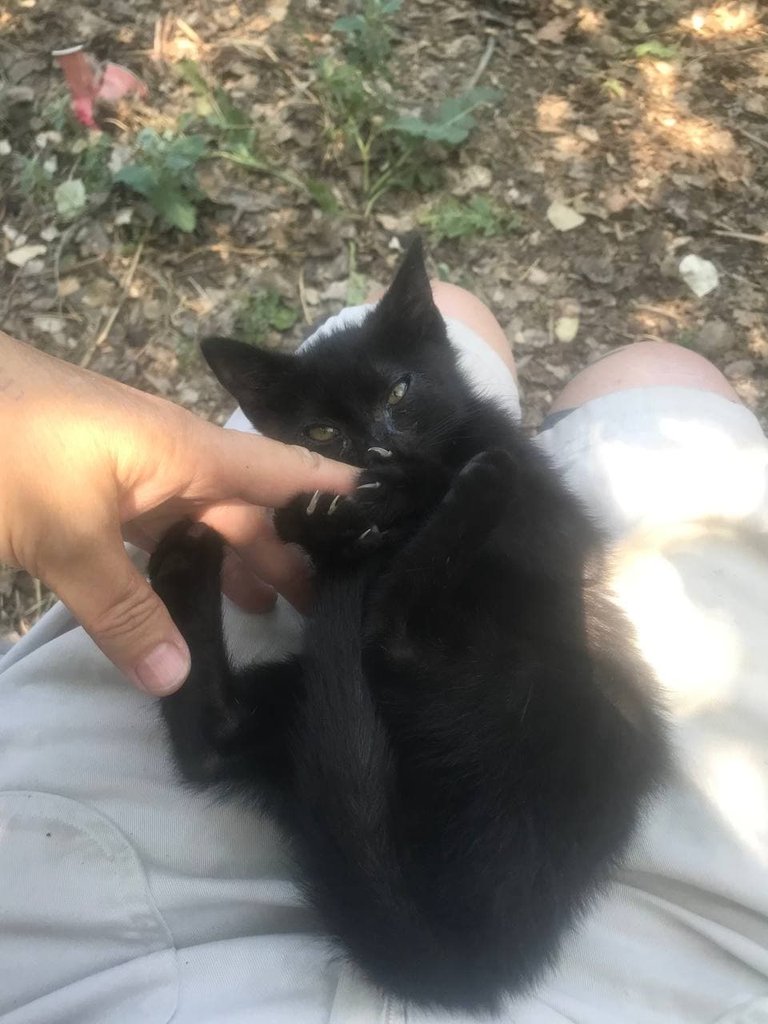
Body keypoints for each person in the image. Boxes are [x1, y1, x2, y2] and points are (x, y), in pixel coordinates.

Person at [0, 284, 767, 1024]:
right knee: (662, 375)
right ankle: (361, 650)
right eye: (326, 437)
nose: (377, 440)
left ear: (426, 351)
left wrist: (356, 570)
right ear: (276, 420)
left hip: (487, 820)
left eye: (399, 400)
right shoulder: (449, 472)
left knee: (448, 641)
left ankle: (328, 665)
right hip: (493, 846)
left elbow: (539, 559)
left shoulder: (481, 455)